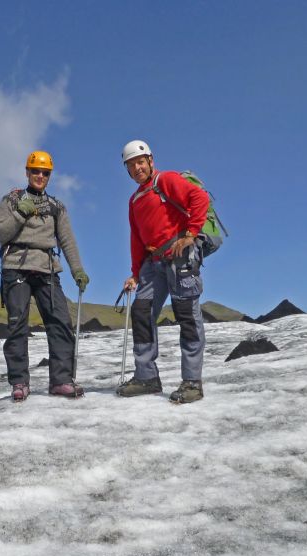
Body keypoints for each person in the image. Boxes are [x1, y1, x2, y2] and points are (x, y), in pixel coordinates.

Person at [116, 140, 210, 404]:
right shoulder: (134, 201)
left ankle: (192, 382)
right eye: (131, 165)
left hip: (179, 257)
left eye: (140, 162)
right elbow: (136, 238)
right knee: (141, 313)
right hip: (152, 263)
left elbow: (199, 198)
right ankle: (147, 377)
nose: (136, 168)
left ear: (150, 160)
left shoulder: (165, 180)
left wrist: (190, 233)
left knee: (187, 316)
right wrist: (135, 273)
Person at [0, 150, 90, 402]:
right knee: (17, 325)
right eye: (35, 171)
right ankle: (19, 382)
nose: (39, 175)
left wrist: (77, 269)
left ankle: (60, 381)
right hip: (16, 266)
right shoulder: (11, 200)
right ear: (27, 172)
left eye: (44, 172)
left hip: (47, 268)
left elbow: (67, 240)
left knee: (60, 322)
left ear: (49, 176)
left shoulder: (56, 207)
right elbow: (1, 233)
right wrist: (20, 214)